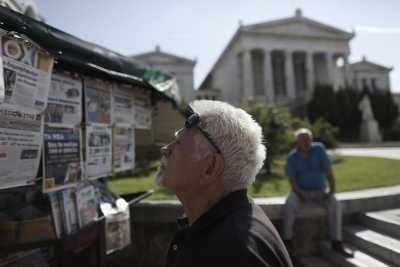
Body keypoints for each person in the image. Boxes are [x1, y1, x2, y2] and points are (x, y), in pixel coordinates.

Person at [156, 100, 293, 267]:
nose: (165, 149)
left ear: (210, 168)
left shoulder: (231, 251)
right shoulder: (230, 226)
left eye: (178, 143)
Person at [282, 128, 353, 257]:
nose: (306, 142)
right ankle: (287, 240)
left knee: (335, 203)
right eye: (303, 140)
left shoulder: (319, 149)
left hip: (320, 190)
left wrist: (331, 190)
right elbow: (292, 181)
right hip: (300, 191)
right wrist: (300, 195)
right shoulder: (292, 157)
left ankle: (336, 242)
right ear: (297, 142)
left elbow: (329, 171)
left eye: (308, 139)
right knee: (289, 203)